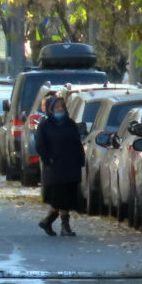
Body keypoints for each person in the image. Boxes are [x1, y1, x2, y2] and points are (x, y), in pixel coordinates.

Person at [34, 95, 84, 236]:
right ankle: (64, 226)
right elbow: (40, 145)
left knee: (67, 198)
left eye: (62, 107)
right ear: (51, 109)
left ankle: (47, 221)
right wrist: (48, 159)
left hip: (70, 166)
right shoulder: (45, 125)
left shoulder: (70, 124)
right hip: (55, 167)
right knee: (60, 198)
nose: (59, 109)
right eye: (56, 107)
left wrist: (80, 160)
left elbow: (77, 143)